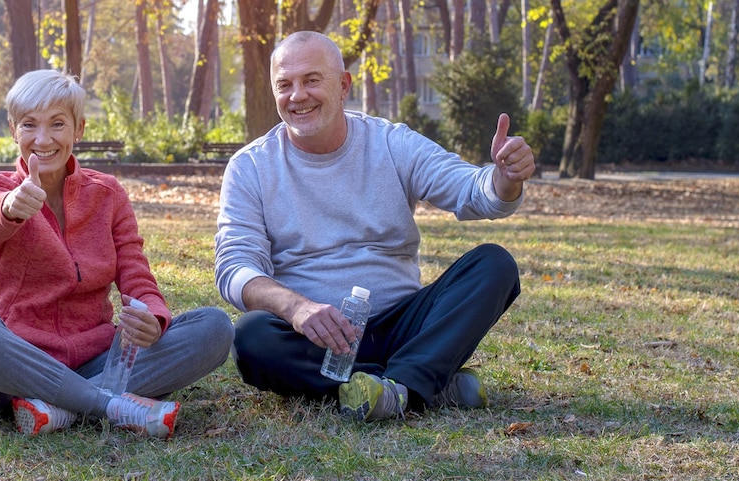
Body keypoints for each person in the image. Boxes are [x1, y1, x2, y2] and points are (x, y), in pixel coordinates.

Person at [215, 31, 537, 422]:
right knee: (251, 337)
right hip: (314, 339)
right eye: (285, 85)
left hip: (404, 325)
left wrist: (505, 178)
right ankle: (422, 382)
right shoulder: (250, 167)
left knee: (493, 264)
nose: (297, 96)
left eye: (312, 80)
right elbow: (235, 267)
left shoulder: (391, 143)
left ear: (343, 85)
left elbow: (471, 190)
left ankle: (397, 385)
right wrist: (297, 308)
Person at [0, 69, 234, 438]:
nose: (42, 139)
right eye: (29, 124)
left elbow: (135, 271)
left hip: (97, 360)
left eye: (57, 123)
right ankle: (109, 406)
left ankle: (59, 409)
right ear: (13, 129)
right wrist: (11, 207)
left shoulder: (107, 193)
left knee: (215, 327)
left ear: (78, 129)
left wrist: (153, 315)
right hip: (19, 367)